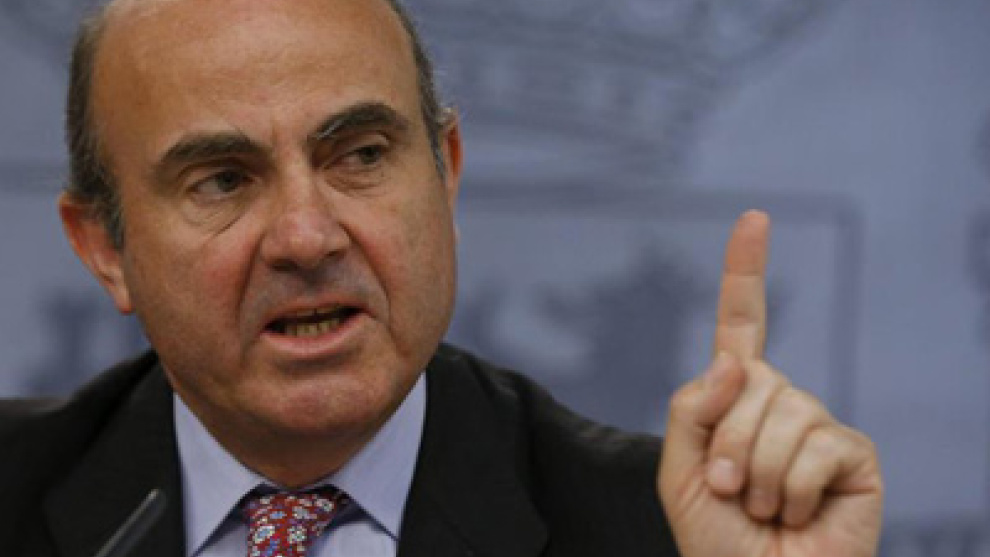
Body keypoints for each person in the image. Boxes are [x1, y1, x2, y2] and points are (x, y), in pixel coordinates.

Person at [0, 0, 883, 556]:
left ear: (446, 172)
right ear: (104, 247)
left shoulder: (667, 528)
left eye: (362, 155)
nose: (307, 236)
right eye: (223, 179)